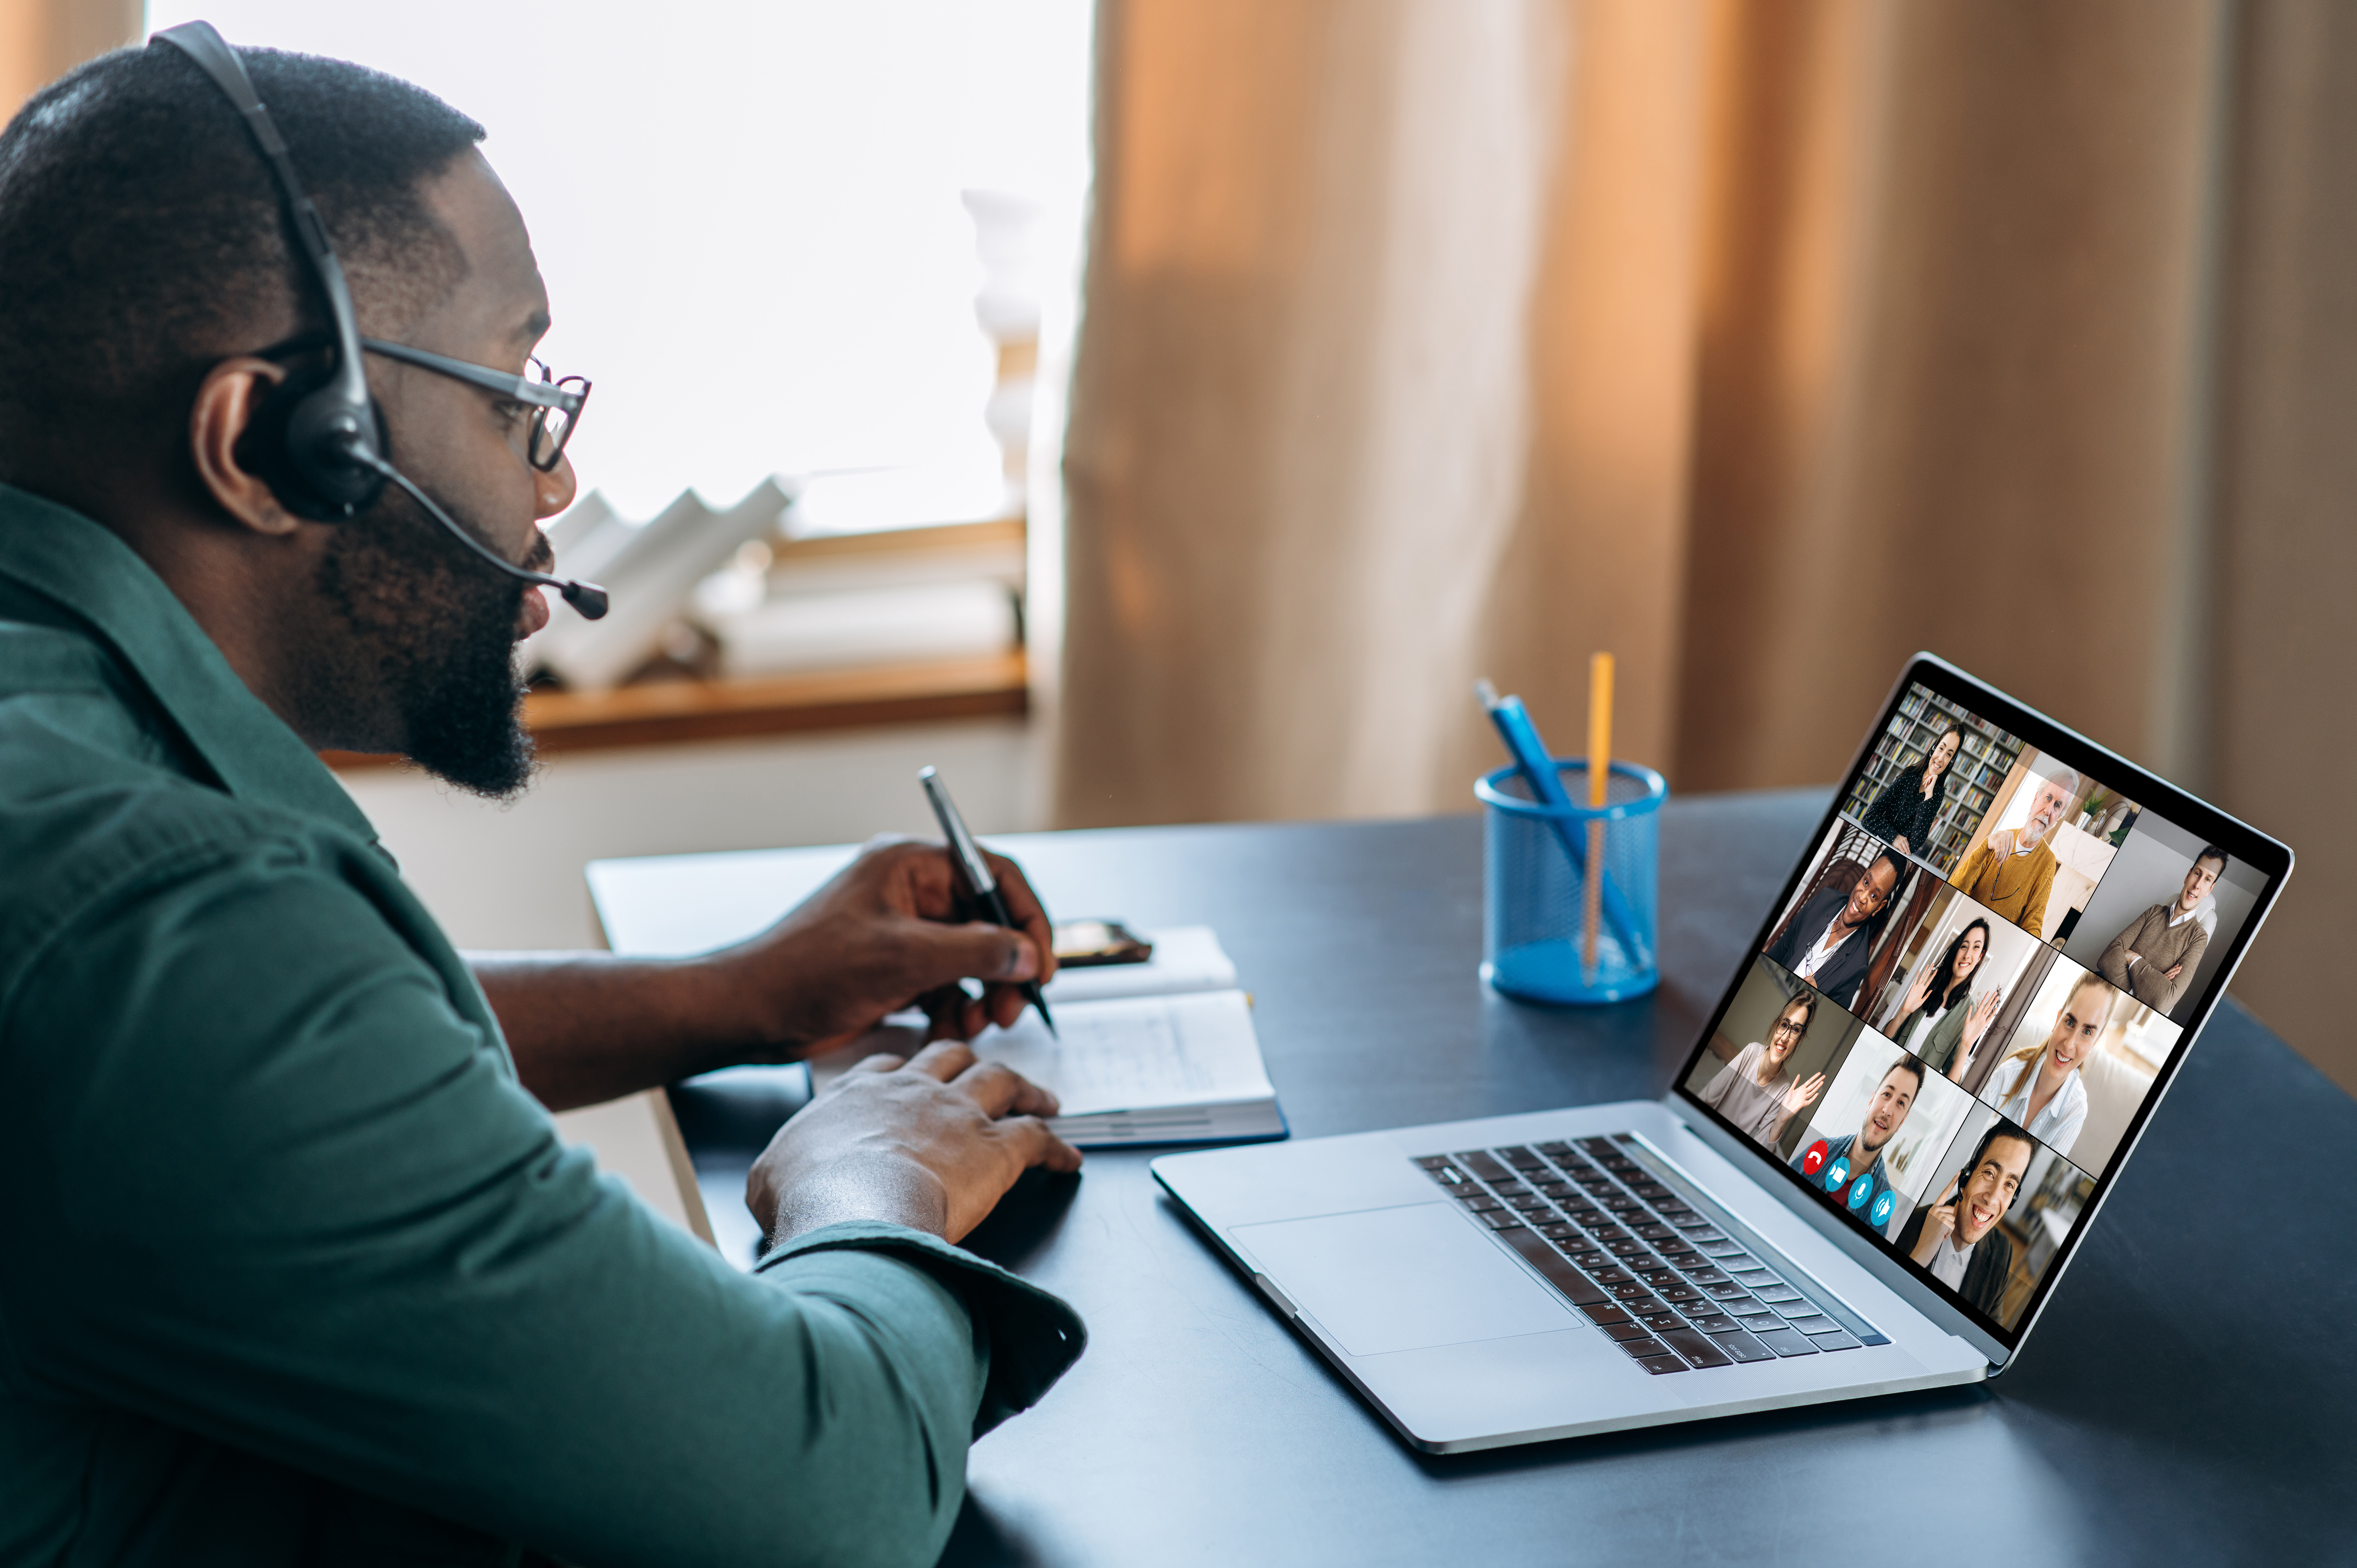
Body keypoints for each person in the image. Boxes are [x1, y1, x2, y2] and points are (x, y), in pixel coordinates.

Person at [0, 40, 1087, 1565]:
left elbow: (294, 1069)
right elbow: (823, 1504)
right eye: (518, 394)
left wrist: (738, 994)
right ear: (269, 444)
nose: (556, 486)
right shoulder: (160, 916)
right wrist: (871, 1180)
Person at [1896, 1121, 2034, 1317]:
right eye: (1989, 1173)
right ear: (1967, 1177)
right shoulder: (1908, 1223)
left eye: (2010, 1185)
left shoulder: (2002, 1252)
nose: (1993, 1198)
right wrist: (1920, 1256)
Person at [1980, 970, 2113, 1159]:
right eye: (2069, 1022)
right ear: (2057, 1019)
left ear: (2096, 1042)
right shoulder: (2008, 1073)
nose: (2069, 1044)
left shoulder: (2075, 1111)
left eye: (2087, 1032)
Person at [1762, 848, 1902, 1008]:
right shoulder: (1824, 900)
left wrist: (1815, 999)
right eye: (1866, 882)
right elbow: (1781, 949)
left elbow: (1825, 1019)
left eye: (1874, 896)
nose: (1862, 897)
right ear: (1864, 874)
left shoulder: (1857, 966)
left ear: (1879, 908)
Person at [2098, 844, 2226, 1016]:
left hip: (2126, 1012)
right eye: (2197, 874)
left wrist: (2132, 957)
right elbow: (2107, 958)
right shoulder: (2154, 911)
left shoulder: (2198, 938)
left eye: (2207, 880)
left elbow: (2163, 1000)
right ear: (2188, 876)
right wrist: (2149, 985)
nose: (2197, 886)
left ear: (2210, 890)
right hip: (2100, 987)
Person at [1952, 767, 2079, 938]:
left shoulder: (2047, 863)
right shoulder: (1999, 839)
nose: (2048, 811)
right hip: (1960, 923)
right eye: (2048, 798)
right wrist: (1986, 845)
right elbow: (1956, 888)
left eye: (2057, 805)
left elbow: (2032, 925)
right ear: (2035, 799)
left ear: (2059, 817)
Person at [1789, 1057, 1924, 1214]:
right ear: (1871, 1101)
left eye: (1901, 1103)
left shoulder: (1882, 1200)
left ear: (1902, 1122)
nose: (1888, 1110)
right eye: (1887, 1094)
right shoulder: (1820, 1150)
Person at [1697, 991, 1829, 1150]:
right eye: (1785, 1025)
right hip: (1705, 1130)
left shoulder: (1784, 1089)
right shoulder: (1752, 1052)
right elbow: (1709, 1097)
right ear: (1777, 1026)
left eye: (1795, 1030)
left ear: (1799, 1038)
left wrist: (1781, 1119)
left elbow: (1762, 1148)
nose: (1785, 1037)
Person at [1888, 916, 2005, 1081]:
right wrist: (1903, 1013)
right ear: (1957, 950)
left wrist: (1966, 1047)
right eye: (1964, 946)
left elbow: (1950, 1081)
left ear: (1980, 957)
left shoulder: (1969, 1015)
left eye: (1976, 948)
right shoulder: (1927, 985)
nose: (1967, 955)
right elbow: (1887, 1036)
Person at [1857, 724, 1962, 862]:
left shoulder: (1937, 795)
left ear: (1951, 761)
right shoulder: (1909, 775)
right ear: (1933, 749)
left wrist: (1928, 796)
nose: (1941, 758)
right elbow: (1870, 817)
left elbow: (1914, 845)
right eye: (1941, 748)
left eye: (1949, 754)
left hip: (1893, 860)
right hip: (1871, 845)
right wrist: (1894, 837)